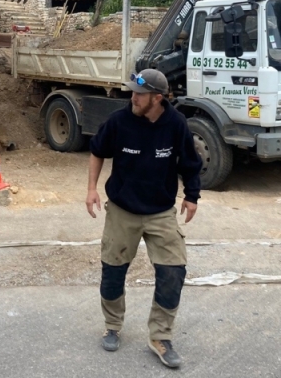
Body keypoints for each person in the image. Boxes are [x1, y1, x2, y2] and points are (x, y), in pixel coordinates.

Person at [86, 69, 202, 369]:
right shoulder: (119, 121)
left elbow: (190, 162)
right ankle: (112, 325)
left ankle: (160, 336)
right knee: (112, 271)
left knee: (173, 271)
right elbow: (97, 151)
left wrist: (192, 196)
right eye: (132, 93)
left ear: (157, 98)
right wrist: (91, 190)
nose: (132, 98)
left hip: (161, 211)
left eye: (139, 94)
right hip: (122, 210)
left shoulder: (175, 124)